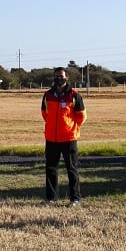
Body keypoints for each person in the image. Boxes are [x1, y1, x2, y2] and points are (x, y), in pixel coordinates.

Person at [41, 67, 87, 206]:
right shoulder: (47, 95)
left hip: (69, 138)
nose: (59, 78)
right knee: (51, 169)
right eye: (56, 76)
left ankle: (75, 198)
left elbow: (81, 116)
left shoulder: (74, 95)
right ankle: (51, 198)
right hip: (51, 138)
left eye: (61, 76)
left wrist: (71, 127)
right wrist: (52, 125)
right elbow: (45, 113)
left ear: (67, 77)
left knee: (72, 169)